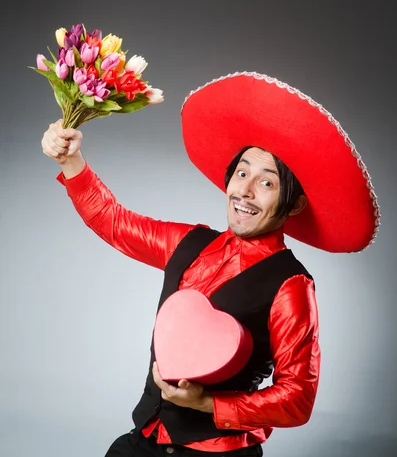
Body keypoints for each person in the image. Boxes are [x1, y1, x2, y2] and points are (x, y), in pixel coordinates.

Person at [41, 72, 380, 457]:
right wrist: (71, 160)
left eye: (267, 183)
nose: (245, 191)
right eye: (241, 173)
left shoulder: (292, 285)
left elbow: (298, 397)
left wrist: (207, 405)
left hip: (219, 451)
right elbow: (114, 221)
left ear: (295, 204)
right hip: (146, 439)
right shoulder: (188, 241)